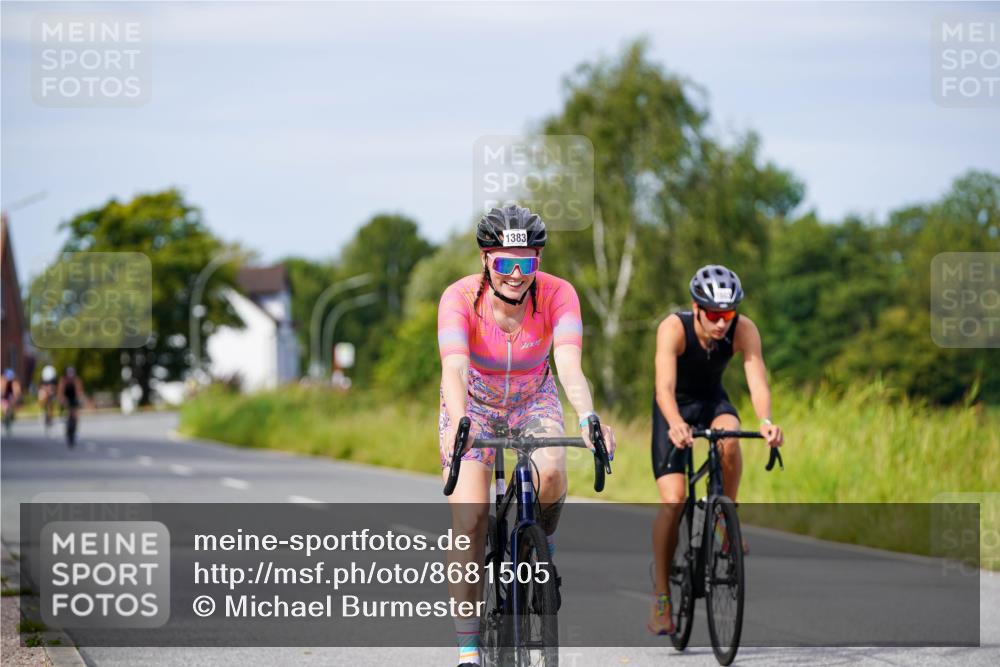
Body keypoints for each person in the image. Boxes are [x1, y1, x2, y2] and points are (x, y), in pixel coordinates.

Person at [438, 205, 616, 667]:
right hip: (473, 404)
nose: (517, 275)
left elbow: (569, 365)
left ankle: (543, 549)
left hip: (533, 398)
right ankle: (468, 650)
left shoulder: (559, 294)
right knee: (471, 521)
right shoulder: (459, 297)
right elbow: (454, 368)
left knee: (552, 473)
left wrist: (588, 417)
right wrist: (461, 422)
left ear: (539, 260)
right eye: (505, 263)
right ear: (485, 259)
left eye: (527, 263)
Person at [648, 265, 784, 635]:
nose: (722, 323)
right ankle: (662, 597)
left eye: (728, 314)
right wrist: (675, 422)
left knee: (731, 437)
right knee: (674, 501)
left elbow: (757, 380)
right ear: (696, 308)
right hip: (673, 408)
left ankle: (725, 517)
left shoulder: (744, 329)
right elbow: (663, 388)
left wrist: (766, 420)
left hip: (712, 403)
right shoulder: (673, 328)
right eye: (713, 315)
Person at [57, 367, 86, 444]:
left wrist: (80, 399)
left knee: (75, 414)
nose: (70, 379)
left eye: (71, 377)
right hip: (66, 396)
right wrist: (61, 400)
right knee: (66, 411)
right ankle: (65, 421)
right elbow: (60, 392)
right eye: (69, 376)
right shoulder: (63, 380)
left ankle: (75, 430)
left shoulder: (76, 380)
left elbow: (79, 392)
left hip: (73, 396)